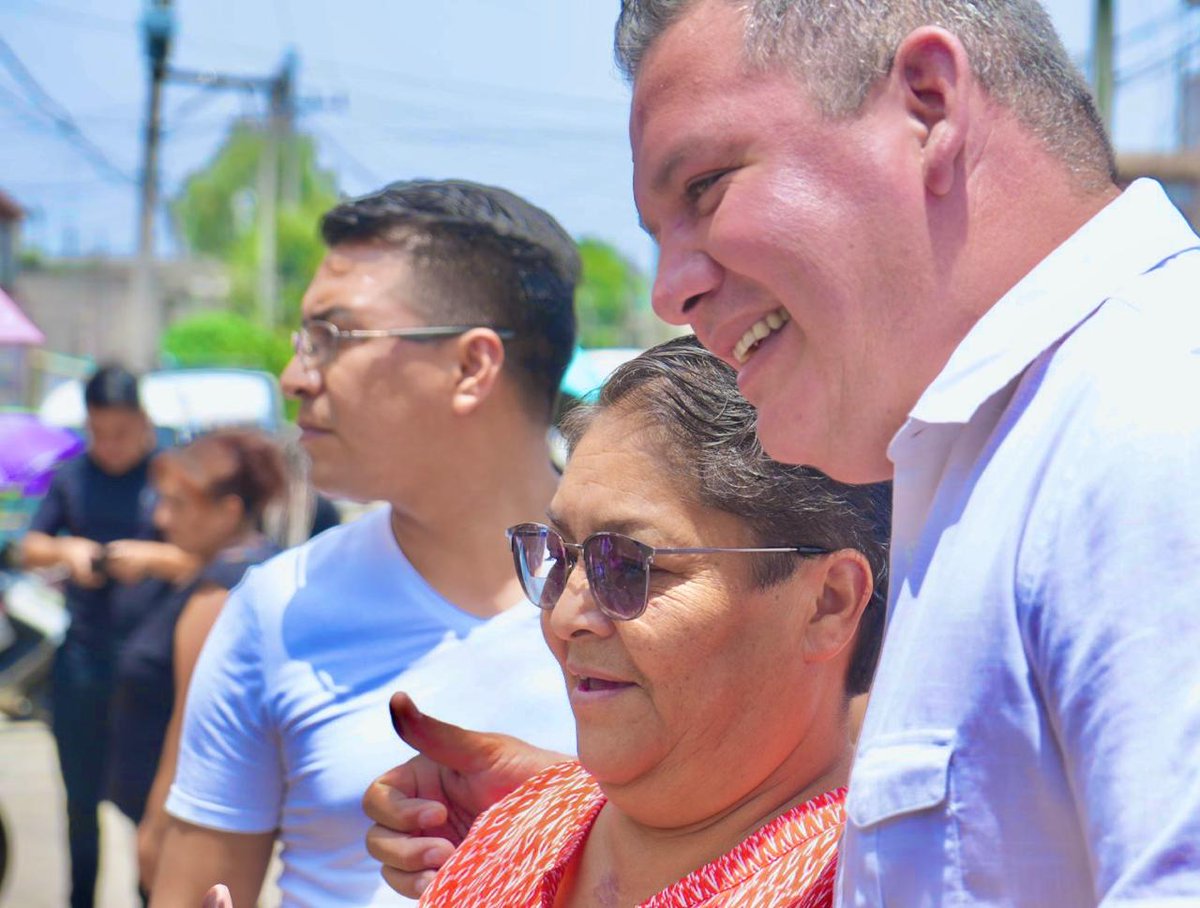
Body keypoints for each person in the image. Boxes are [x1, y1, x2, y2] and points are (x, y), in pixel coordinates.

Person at [366, 1, 1200, 904]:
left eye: (706, 188)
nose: (672, 292)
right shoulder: (1008, 446)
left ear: (928, 105)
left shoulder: (1152, 420)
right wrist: (605, 831)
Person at [150, 179, 581, 908]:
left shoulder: (655, 600)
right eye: (302, 342)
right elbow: (193, 890)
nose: (294, 378)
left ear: (472, 366)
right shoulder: (278, 608)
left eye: (331, 338)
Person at [421, 336, 890, 907]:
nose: (566, 617)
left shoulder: (875, 885)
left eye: (629, 566)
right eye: (560, 556)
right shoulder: (511, 832)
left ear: (829, 604)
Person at [18, 365, 192, 908]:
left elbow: (204, 559)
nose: (111, 445)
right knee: (80, 803)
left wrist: (151, 558)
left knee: (151, 806)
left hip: (154, 667)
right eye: (100, 432)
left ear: (142, 421)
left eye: (121, 432)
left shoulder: (169, 476)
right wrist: (66, 550)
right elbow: (29, 546)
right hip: (85, 659)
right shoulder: (73, 476)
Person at [103, 430, 286, 896]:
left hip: (186, 826)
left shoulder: (218, 596)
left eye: (178, 505)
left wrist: (158, 826)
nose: (161, 518)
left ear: (228, 511)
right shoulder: (253, 569)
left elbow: (190, 725)